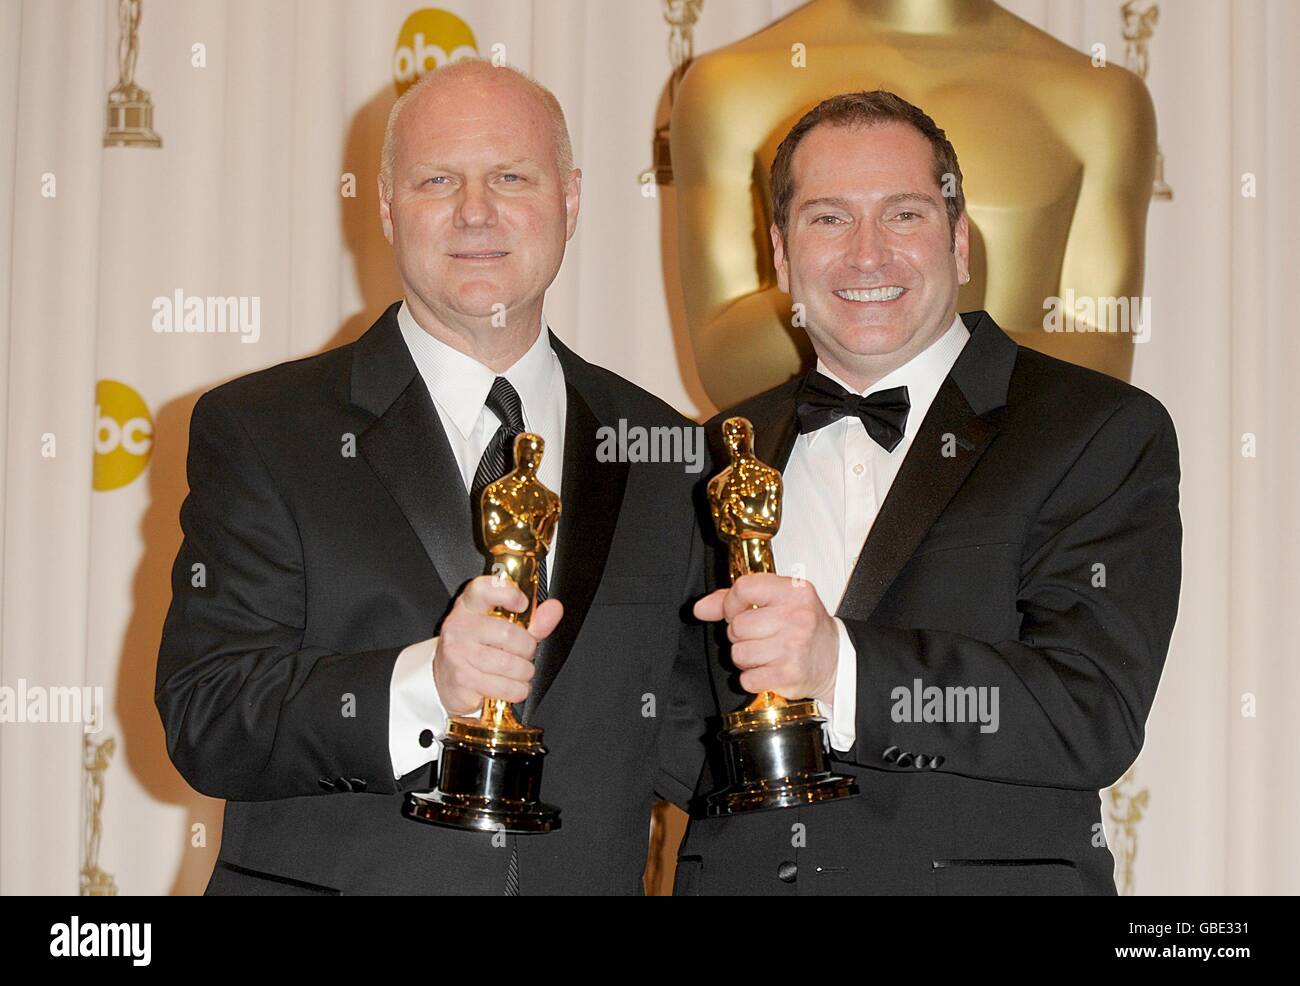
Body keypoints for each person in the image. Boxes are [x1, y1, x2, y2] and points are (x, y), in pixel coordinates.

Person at [156, 59, 711, 896]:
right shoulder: (263, 429)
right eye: (437, 179)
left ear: (571, 197)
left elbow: (685, 737)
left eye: (511, 176)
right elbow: (209, 717)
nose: (475, 211)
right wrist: (425, 686)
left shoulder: (666, 449)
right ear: (385, 205)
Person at [675, 90, 1181, 896]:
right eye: (829, 218)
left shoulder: (1094, 430)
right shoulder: (705, 456)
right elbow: (668, 726)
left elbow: (1090, 710)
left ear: (960, 240)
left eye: (904, 215)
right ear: (781, 252)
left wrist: (841, 666)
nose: (866, 255)